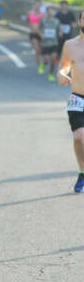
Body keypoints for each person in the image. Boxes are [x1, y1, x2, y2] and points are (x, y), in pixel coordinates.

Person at [57, 10, 84, 192]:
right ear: (80, 21)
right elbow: (63, 68)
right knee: (79, 137)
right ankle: (82, 172)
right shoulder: (70, 45)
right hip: (77, 97)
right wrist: (61, 75)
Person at [39, 6, 61, 81]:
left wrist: (60, 33)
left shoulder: (57, 21)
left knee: (53, 59)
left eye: (52, 11)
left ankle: (51, 74)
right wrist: (41, 35)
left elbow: (59, 29)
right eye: (49, 11)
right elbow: (40, 30)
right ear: (47, 12)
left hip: (54, 43)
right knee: (46, 59)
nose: (50, 12)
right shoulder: (43, 20)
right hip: (45, 43)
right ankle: (43, 64)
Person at [28, 0, 44, 71]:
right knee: (37, 49)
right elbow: (26, 20)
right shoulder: (30, 13)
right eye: (36, 5)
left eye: (39, 5)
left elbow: (44, 25)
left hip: (40, 34)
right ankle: (39, 66)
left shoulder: (42, 15)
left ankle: (40, 63)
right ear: (34, 5)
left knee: (40, 50)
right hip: (33, 34)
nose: (37, 6)